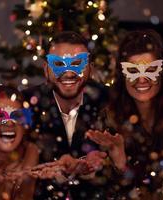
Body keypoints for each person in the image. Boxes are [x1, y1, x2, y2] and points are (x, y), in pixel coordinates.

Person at [87, 29, 163, 199]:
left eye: (150, 69)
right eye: (134, 71)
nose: (142, 79)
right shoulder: (109, 118)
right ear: (123, 75)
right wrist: (120, 163)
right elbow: (104, 189)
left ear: (162, 71)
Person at [23, 31, 108, 199]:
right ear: (46, 70)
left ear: (89, 68)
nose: (68, 73)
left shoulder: (108, 101)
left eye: (77, 63)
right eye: (59, 64)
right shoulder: (27, 104)